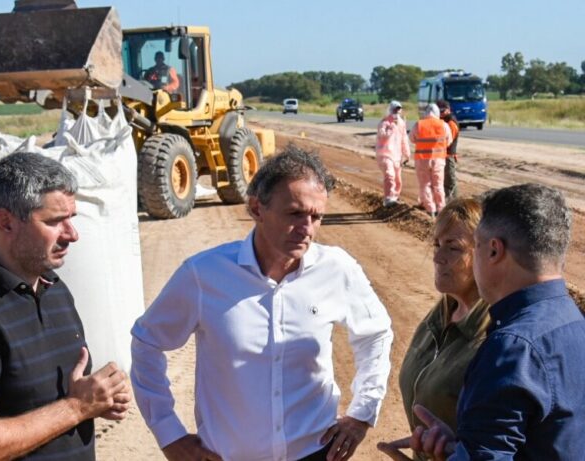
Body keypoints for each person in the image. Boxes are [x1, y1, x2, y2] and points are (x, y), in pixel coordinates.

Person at [131, 146, 394, 461]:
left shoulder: (337, 269)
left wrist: (363, 413)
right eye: (295, 213)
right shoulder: (203, 274)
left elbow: (376, 334)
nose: (307, 229)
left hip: (315, 453)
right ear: (257, 208)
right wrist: (169, 434)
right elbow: (147, 342)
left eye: (316, 217)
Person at [0, 152, 131, 460]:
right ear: (6, 222)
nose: (72, 235)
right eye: (54, 221)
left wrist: (99, 398)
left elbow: (56, 402)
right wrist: (77, 407)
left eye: (71, 218)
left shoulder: (55, 288)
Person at [403, 183, 585, 460]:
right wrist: (459, 448)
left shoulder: (511, 347)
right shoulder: (574, 322)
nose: (438, 257)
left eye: (474, 246)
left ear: (493, 251)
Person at [377, 198, 490, 461]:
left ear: (487, 254)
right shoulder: (440, 315)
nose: (437, 257)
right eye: (437, 245)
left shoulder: (494, 338)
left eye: (453, 247)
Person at [409, 103, 452, 217]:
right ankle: (441, 209)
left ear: (426, 112)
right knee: (438, 185)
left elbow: (412, 139)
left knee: (425, 185)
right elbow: (449, 141)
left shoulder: (419, 124)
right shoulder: (443, 125)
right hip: (438, 160)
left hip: (422, 159)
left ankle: (430, 209)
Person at [375, 100, 411, 207]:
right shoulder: (384, 122)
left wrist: (407, 153)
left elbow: (404, 139)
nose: (397, 112)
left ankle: (394, 197)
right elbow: (382, 135)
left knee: (397, 179)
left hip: (397, 156)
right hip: (385, 154)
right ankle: (389, 198)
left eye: (399, 109)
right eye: (395, 109)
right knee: (389, 175)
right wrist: (391, 127)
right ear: (391, 110)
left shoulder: (401, 123)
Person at [436, 100, 460, 201]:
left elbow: (448, 142)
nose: (441, 113)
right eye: (439, 111)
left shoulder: (451, 123)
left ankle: (453, 202)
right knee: (445, 181)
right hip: (443, 155)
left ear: (448, 110)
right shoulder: (443, 121)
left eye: (443, 110)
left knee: (450, 181)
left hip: (448, 156)